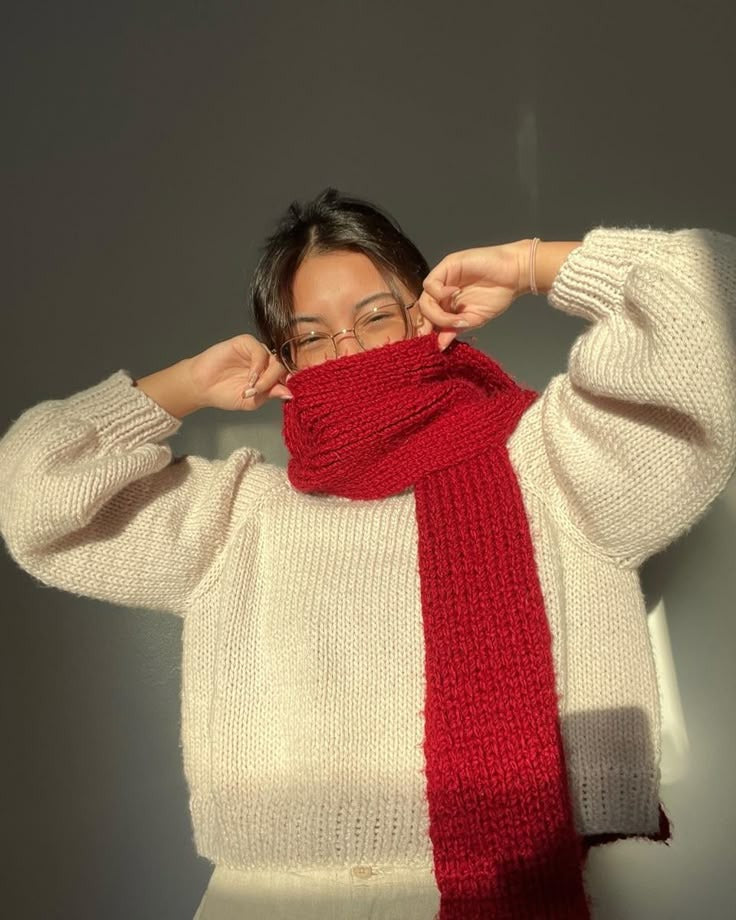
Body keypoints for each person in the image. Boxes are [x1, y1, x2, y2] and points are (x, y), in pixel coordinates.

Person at [0, 187, 734, 920]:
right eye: (312, 336)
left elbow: (709, 301)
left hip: (497, 888)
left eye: (376, 316)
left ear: (430, 318)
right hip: (269, 899)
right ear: (287, 361)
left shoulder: (557, 467)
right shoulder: (239, 518)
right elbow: (32, 495)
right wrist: (183, 387)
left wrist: (528, 265)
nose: (347, 350)